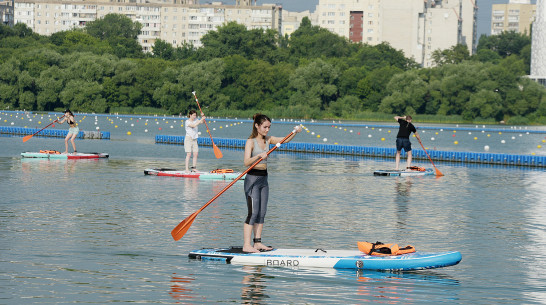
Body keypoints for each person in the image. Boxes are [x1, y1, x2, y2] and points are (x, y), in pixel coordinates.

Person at [242, 114, 302, 253]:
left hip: (264, 179)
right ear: (257, 126)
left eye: (269, 127)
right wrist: (258, 156)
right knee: (253, 213)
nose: (267, 130)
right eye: (265, 127)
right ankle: (246, 245)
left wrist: (295, 132)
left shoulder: (269, 139)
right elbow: (246, 162)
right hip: (252, 180)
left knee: (262, 212)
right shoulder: (250, 141)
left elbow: (284, 140)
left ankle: (257, 243)